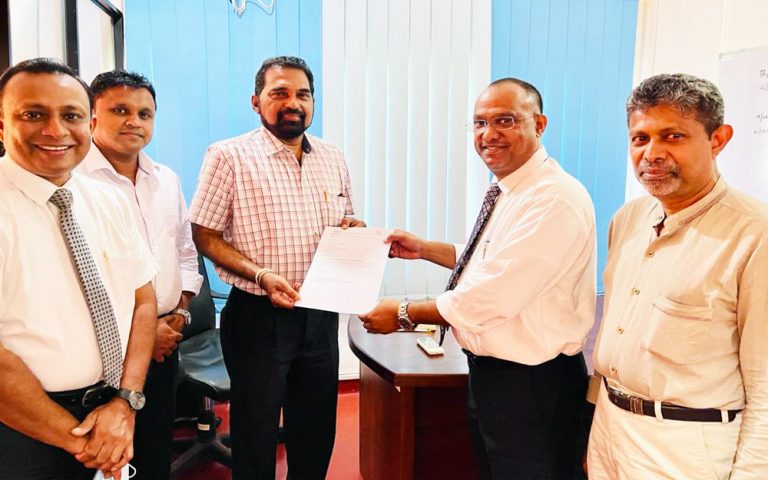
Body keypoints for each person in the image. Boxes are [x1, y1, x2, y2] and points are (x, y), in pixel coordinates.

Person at [361, 78, 596, 479]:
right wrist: (425, 249)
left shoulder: (553, 198)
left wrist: (403, 313)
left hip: (532, 385)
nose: (488, 134)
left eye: (505, 120)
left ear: (539, 125)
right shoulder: (510, 188)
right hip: (494, 378)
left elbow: (492, 295)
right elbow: (491, 261)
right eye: (480, 123)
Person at [189, 56, 365, 479]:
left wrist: (352, 230)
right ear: (256, 101)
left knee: (315, 428)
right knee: (256, 432)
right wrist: (261, 275)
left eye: (303, 94)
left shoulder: (332, 157)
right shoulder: (229, 156)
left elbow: (345, 220)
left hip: (320, 313)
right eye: (279, 93)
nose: (293, 103)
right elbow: (205, 235)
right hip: (258, 317)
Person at [588, 73, 768, 479]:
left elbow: (765, 386)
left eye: (673, 136)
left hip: (684, 446)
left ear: (718, 139)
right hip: (610, 428)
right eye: (640, 138)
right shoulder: (629, 219)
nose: (651, 153)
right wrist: (596, 434)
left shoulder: (755, 235)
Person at [0, 58, 157, 479]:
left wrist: (125, 401)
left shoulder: (109, 200)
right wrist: (83, 444)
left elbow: (143, 301)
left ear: (89, 124)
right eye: (33, 115)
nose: (55, 131)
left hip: (114, 412)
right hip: (23, 430)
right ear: (2, 125)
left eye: (70, 116)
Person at [77, 69, 202, 480]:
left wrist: (179, 314)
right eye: (120, 110)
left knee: (153, 451)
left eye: (144, 114)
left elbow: (185, 253)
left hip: (165, 340)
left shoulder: (165, 180)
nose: (134, 121)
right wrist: (143, 335)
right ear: (92, 116)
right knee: (105, 459)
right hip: (102, 353)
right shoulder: (73, 183)